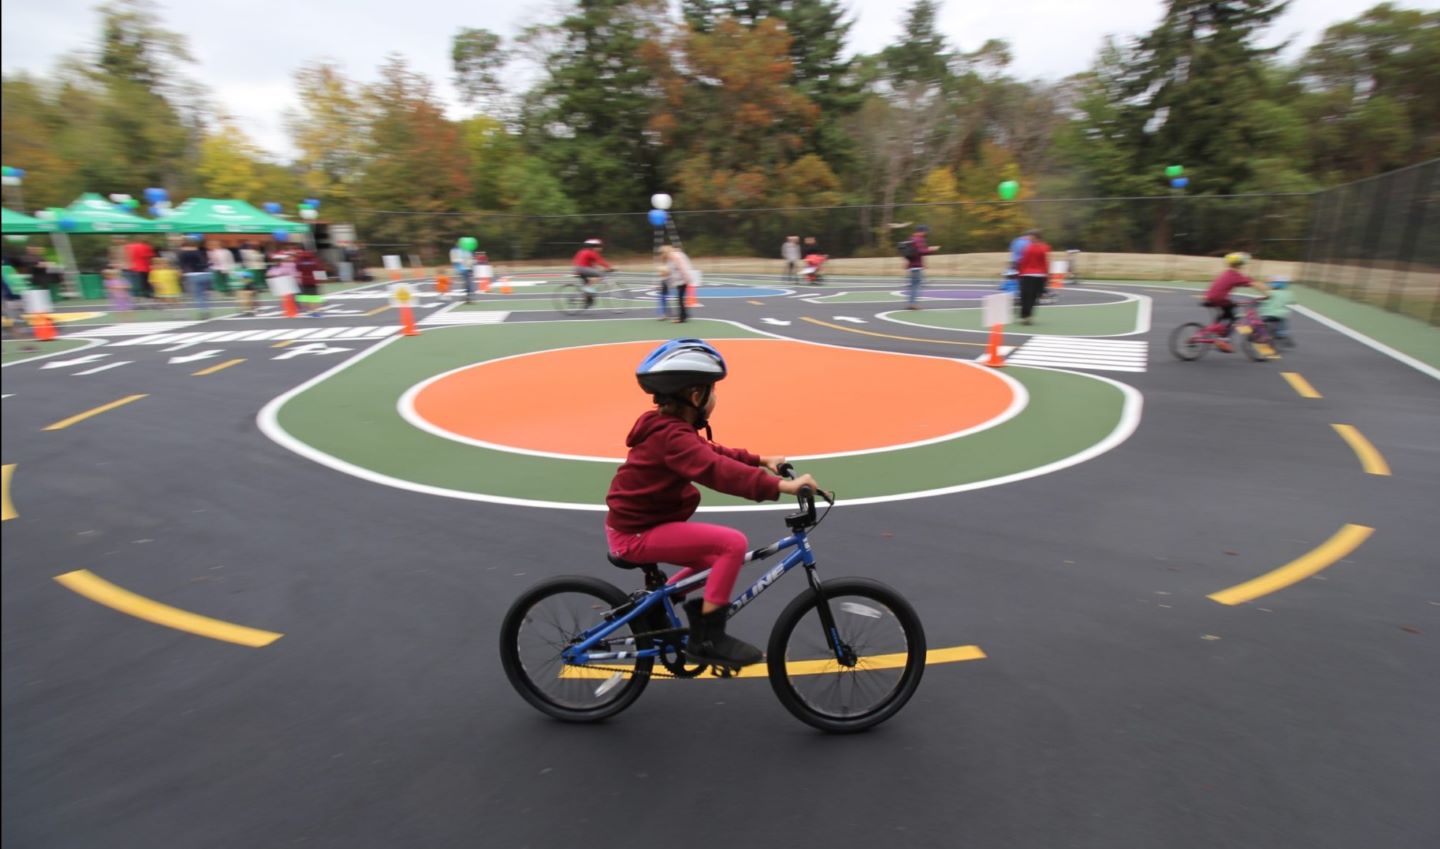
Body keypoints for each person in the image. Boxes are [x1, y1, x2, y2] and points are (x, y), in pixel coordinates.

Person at [605, 339, 823, 668]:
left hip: (640, 524)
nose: (715, 397)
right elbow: (717, 471)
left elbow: (713, 453)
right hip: (634, 534)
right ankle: (707, 639)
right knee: (731, 545)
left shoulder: (671, 430)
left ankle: (655, 609)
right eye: (712, 390)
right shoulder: (672, 438)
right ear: (696, 396)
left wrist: (762, 459)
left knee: (715, 559)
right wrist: (784, 486)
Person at [1201, 253, 1270, 353]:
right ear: (1240, 265)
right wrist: (1268, 293)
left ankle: (1216, 332)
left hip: (1210, 297)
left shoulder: (1227, 273)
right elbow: (1254, 284)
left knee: (1225, 313)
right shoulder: (1235, 275)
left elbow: (1246, 281)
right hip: (1219, 298)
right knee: (1233, 316)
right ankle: (1223, 340)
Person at [1015, 229, 1051, 325]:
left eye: (1030, 236)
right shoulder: (1045, 247)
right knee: (1034, 297)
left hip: (1027, 274)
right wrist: (1047, 276)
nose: (1028, 238)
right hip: (1040, 275)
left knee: (1025, 296)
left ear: (1035, 237)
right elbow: (1046, 262)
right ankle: (1029, 316)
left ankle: (1025, 315)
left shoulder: (1027, 247)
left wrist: (1020, 274)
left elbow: (1023, 262)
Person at [901, 225, 939, 309]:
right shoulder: (919, 239)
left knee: (914, 284)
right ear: (922, 231)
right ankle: (913, 304)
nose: (926, 233)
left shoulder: (911, 239)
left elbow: (908, 252)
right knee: (916, 285)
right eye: (925, 231)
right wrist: (932, 250)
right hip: (917, 266)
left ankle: (911, 303)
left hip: (911, 265)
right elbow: (921, 251)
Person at [658, 244, 698, 323]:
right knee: (680, 299)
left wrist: (688, 279)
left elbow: (683, 268)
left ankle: (682, 318)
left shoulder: (675, 257)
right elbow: (670, 271)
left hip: (683, 280)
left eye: (662, 253)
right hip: (680, 280)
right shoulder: (672, 258)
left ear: (665, 252)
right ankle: (684, 315)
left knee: (680, 299)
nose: (661, 255)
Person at [572, 238, 614, 304]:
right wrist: (609, 267)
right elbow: (600, 261)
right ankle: (609, 284)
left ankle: (587, 299)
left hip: (578, 269)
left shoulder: (582, 251)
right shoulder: (591, 252)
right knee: (601, 274)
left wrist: (577, 270)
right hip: (583, 269)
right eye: (600, 246)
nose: (601, 248)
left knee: (587, 283)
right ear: (595, 246)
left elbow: (586, 263)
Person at [177, 239, 211, 318]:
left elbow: (181, 266)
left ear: (184, 245)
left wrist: (181, 275)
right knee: (204, 292)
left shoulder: (182, 254)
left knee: (198, 294)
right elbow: (206, 263)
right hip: (205, 273)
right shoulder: (201, 252)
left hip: (192, 275)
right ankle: (207, 308)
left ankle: (203, 310)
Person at [1259, 277, 1295, 346]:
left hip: (1267, 314)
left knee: (1261, 323)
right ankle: (1282, 334)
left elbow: (1263, 299)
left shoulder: (1270, 292)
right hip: (1280, 315)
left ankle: (1261, 335)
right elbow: (1293, 302)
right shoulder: (1288, 293)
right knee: (1283, 322)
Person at [124, 237, 156, 304]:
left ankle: (135, 297)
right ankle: (147, 296)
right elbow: (149, 258)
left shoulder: (129, 246)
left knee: (134, 283)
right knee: (146, 283)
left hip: (132, 267)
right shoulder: (147, 247)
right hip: (144, 268)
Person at [238, 241, 266, 315]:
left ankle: (248, 308)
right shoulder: (254, 253)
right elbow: (260, 263)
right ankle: (253, 307)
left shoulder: (244, 252)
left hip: (247, 272)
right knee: (252, 291)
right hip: (251, 272)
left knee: (247, 291)